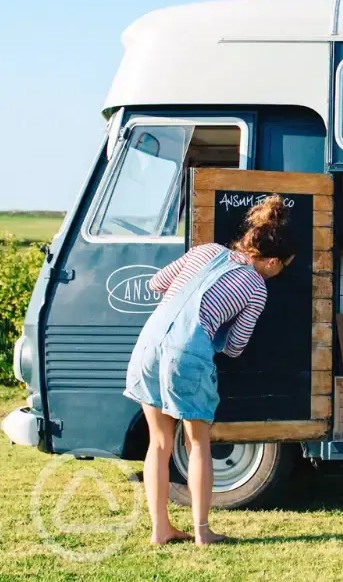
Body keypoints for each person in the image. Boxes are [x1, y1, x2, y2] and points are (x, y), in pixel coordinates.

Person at [123, 195, 296, 546]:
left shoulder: (204, 251)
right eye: (284, 266)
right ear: (273, 261)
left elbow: (157, 284)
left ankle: (160, 530)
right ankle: (203, 533)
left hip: (147, 346)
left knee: (158, 442)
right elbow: (234, 347)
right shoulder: (256, 287)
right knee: (198, 442)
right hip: (187, 355)